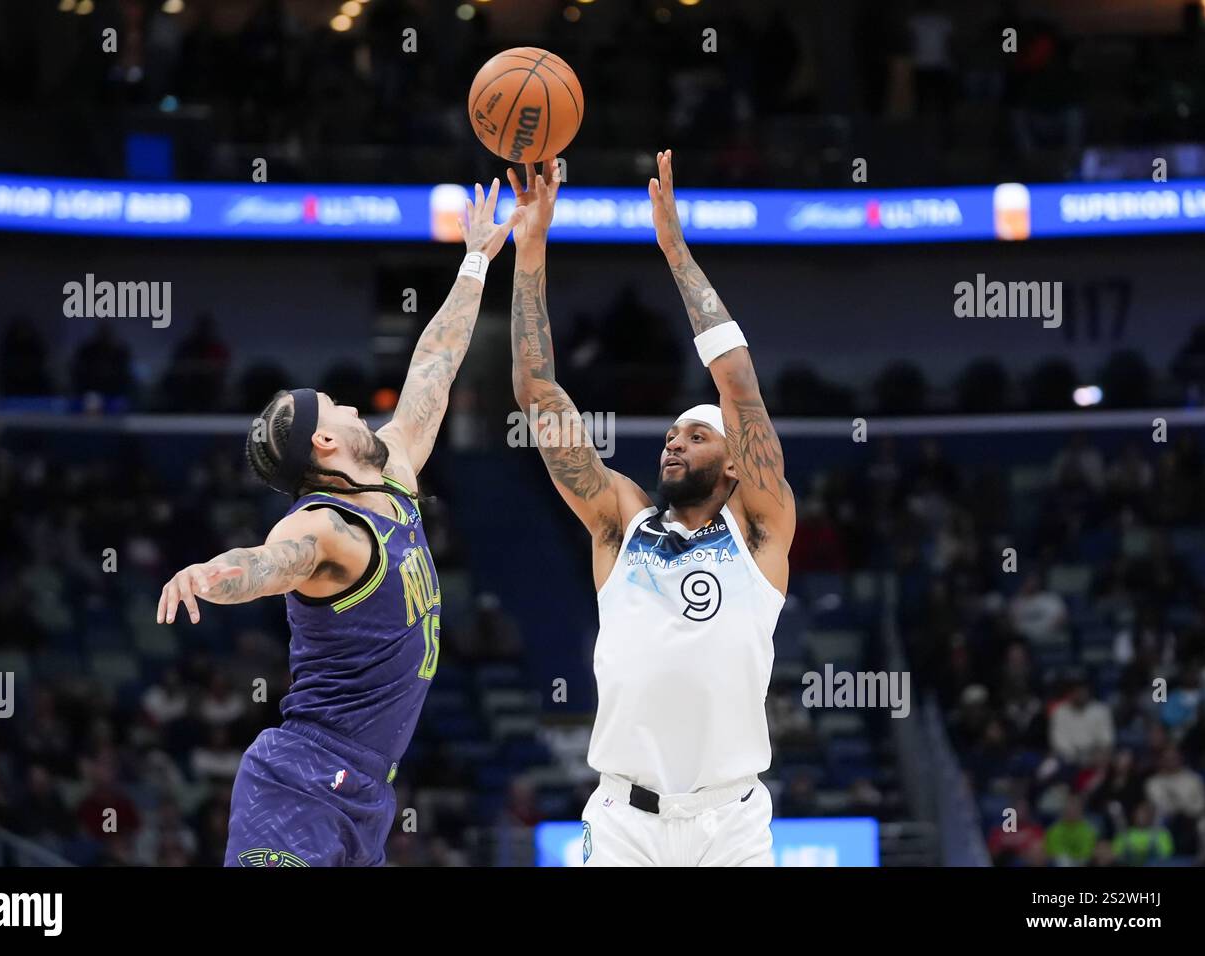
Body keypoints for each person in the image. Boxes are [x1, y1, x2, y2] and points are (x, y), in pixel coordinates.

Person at [156, 181, 521, 866]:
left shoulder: (395, 473)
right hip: (299, 783)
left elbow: (433, 371)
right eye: (335, 406)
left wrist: (475, 262)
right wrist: (212, 575)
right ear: (324, 446)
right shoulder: (328, 530)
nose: (353, 407)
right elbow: (268, 563)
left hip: (365, 795)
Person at [508, 152, 795, 866]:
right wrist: (533, 245)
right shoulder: (621, 522)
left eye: (696, 436)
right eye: (670, 435)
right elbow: (540, 395)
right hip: (624, 820)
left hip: (731, 824)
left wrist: (674, 248)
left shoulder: (759, 532)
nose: (674, 444)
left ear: (735, 463)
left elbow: (738, 384)